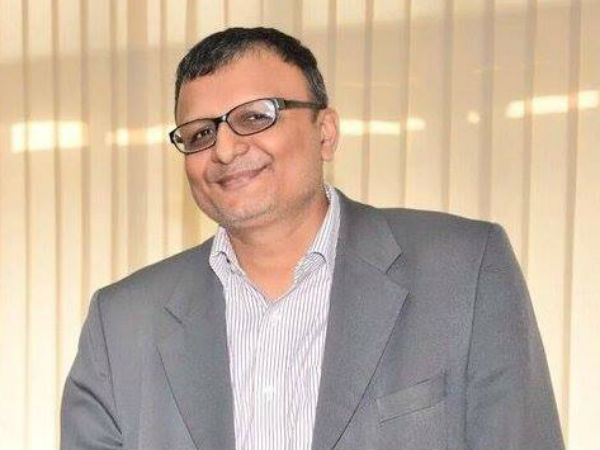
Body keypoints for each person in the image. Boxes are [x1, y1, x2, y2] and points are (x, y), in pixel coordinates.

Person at [60, 27, 564, 450]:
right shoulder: (121, 322)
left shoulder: (464, 269)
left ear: (325, 132)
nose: (225, 149)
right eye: (199, 134)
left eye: (255, 117)